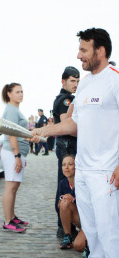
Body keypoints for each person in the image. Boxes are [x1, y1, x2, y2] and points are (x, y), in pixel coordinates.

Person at [32, 28, 119, 258]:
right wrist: (44, 132)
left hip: (107, 171)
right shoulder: (84, 84)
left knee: (110, 232)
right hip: (83, 168)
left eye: (83, 50)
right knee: (92, 231)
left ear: (100, 51)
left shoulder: (115, 81)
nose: (78, 55)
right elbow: (75, 123)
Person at [53, 66, 80, 239]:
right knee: (65, 183)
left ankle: (66, 225)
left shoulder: (69, 98)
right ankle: (64, 227)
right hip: (67, 146)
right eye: (72, 81)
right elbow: (67, 124)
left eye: (78, 81)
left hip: (68, 145)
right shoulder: (65, 100)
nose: (75, 84)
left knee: (69, 181)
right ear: (63, 81)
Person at [0, 83, 29, 233]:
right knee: (10, 187)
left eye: (22, 91)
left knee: (14, 187)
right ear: (9, 94)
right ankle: (7, 221)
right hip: (12, 153)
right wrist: (17, 155)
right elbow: (11, 133)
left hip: (18, 153)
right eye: (17, 92)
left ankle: (12, 217)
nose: (21, 94)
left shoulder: (15, 109)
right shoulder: (11, 110)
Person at [58, 155, 83, 250]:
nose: (66, 167)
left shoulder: (82, 182)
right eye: (63, 165)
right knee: (64, 202)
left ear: (76, 167)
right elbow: (58, 206)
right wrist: (64, 198)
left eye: (70, 164)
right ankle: (67, 236)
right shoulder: (62, 183)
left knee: (79, 246)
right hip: (77, 219)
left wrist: (72, 197)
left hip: (87, 219)